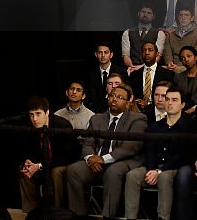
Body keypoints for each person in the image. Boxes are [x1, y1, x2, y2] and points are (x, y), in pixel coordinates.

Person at [65, 83, 147, 218]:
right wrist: (91, 158)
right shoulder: (97, 118)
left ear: (127, 102)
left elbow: (131, 147)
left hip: (122, 161)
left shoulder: (137, 119)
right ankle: (77, 215)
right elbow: (88, 143)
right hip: (95, 162)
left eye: (120, 97)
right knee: (73, 170)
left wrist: (104, 159)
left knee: (113, 172)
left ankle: (108, 216)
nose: (114, 99)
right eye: (112, 95)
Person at [124, 86, 194, 220]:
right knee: (132, 176)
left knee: (164, 177)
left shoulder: (188, 127)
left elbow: (183, 155)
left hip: (173, 168)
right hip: (154, 167)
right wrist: (152, 169)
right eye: (167, 99)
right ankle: (130, 217)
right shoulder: (155, 126)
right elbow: (149, 151)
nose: (169, 103)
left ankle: (163, 218)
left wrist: (159, 171)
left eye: (174, 100)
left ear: (183, 105)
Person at [18, 96, 76, 212]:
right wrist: (28, 162)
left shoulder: (62, 125)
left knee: (55, 172)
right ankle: (32, 212)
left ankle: (56, 212)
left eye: (38, 114)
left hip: (63, 163)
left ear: (47, 112)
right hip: (42, 163)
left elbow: (66, 156)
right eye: (31, 115)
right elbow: (28, 150)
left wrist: (39, 166)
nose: (34, 119)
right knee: (24, 170)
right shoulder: (30, 127)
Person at [128, 41, 174, 109]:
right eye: (144, 50)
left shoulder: (168, 74)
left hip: (159, 109)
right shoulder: (134, 75)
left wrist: (149, 106)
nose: (147, 53)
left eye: (150, 50)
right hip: (138, 110)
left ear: (157, 54)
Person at [123, 5, 166, 72]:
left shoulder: (160, 33)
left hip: (151, 69)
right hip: (132, 68)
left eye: (149, 13)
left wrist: (141, 67)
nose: (145, 15)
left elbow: (158, 56)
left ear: (153, 16)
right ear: (138, 14)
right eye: (143, 12)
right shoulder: (127, 32)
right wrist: (132, 67)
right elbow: (125, 55)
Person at [86, 43, 126, 111]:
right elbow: (91, 97)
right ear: (96, 54)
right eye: (100, 52)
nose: (103, 55)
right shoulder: (91, 73)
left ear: (111, 54)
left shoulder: (121, 72)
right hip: (96, 110)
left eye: (106, 52)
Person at [173, 45, 197, 113]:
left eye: (189, 56)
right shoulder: (178, 77)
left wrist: (194, 108)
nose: (186, 60)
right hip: (181, 110)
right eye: (182, 58)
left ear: (195, 57)